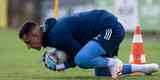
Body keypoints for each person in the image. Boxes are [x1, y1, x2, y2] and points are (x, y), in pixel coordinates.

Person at [19, 10, 155, 79]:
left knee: (82, 59)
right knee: (101, 72)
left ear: (35, 34)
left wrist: (62, 65)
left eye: (28, 42)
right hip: (102, 32)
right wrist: (59, 57)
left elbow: (78, 55)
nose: (29, 47)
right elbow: (73, 50)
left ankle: (113, 63)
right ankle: (145, 68)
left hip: (109, 29)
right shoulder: (51, 35)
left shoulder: (55, 35)